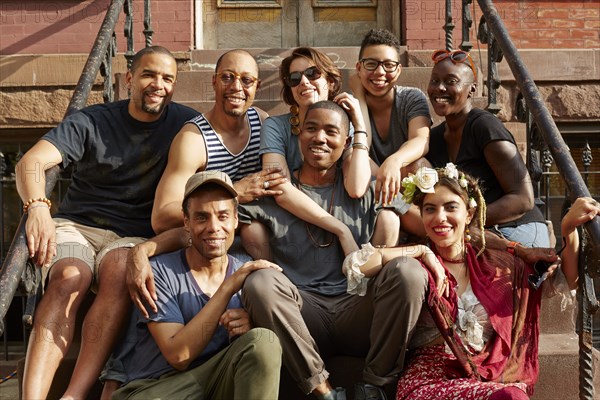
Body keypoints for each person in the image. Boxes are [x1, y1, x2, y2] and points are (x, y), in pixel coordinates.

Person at [14, 46, 199, 400]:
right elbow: (32, 162)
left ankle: (74, 395)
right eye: (148, 75)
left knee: (118, 270)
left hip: (133, 233)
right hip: (79, 225)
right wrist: (37, 207)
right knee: (70, 276)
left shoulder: (185, 125)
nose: (157, 84)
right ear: (129, 79)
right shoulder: (92, 120)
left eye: (167, 78)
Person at [239, 100, 436, 400]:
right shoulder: (273, 190)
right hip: (302, 316)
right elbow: (211, 219)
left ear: (346, 142)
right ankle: (325, 392)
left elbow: (430, 223)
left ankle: (374, 387)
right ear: (299, 135)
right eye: (311, 129)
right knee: (259, 282)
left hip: (359, 311)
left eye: (331, 131)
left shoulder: (367, 189)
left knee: (408, 272)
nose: (319, 138)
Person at [342, 164, 586, 399]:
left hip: (488, 377)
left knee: (511, 395)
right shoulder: (416, 265)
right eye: (430, 209)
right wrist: (420, 250)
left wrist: (569, 230)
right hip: (429, 379)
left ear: (469, 213)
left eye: (450, 207)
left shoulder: (498, 265)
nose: (440, 218)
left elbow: (565, 281)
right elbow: (354, 265)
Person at [111, 171, 282, 400]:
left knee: (263, 341)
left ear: (235, 220)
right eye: (202, 217)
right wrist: (227, 288)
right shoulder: (159, 271)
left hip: (215, 381)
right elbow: (178, 356)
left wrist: (251, 324)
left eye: (223, 216)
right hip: (159, 388)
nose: (214, 227)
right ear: (186, 222)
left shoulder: (249, 276)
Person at [250, 46, 396, 258]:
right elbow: (279, 188)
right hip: (293, 214)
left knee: (391, 210)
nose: (304, 82)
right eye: (294, 78)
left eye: (312, 73)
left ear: (330, 81)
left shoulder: (345, 126)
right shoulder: (275, 127)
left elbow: (356, 187)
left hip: (339, 204)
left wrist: (359, 124)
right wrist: (340, 229)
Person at [151, 49, 287, 234]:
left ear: (258, 86)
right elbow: (161, 217)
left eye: (247, 80)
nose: (236, 87)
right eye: (227, 77)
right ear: (214, 81)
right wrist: (234, 193)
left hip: (254, 230)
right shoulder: (193, 140)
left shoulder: (261, 122)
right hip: (209, 241)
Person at [425, 48, 549, 247]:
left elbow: (523, 199)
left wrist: (465, 220)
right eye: (434, 81)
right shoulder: (435, 138)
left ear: (472, 89)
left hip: (515, 227)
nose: (439, 88)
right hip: (476, 232)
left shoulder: (484, 126)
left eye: (451, 81)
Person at [352, 28, 432, 237]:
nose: (380, 72)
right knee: (352, 159)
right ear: (358, 68)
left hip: (402, 181)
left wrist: (394, 161)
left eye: (388, 65)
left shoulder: (411, 98)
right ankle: (427, 231)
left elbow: (421, 140)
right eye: (371, 64)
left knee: (420, 165)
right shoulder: (347, 106)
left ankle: (429, 222)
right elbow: (360, 151)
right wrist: (358, 97)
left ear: (398, 70)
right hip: (368, 187)